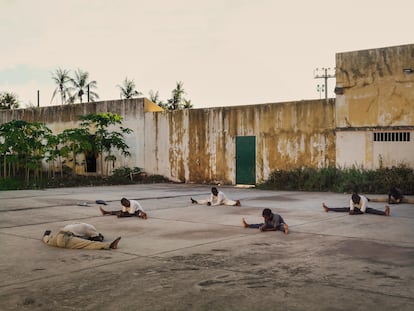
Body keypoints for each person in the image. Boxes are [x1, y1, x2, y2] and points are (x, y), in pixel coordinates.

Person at [42, 223, 121, 250]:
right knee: (88, 244)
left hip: (59, 235)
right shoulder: (91, 228)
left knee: (48, 240)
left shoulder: (78, 225)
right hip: (66, 238)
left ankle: (45, 236)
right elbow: (97, 240)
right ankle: (110, 245)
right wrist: (101, 238)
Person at [322, 193, 390, 216]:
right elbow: (351, 209)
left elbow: (362, 212)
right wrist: (351, 211)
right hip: (357, 208)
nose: (355, 203)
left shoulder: (364, 200)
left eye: (356, 202)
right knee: (344, 209)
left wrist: (353, 213)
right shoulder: (352, 200)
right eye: (355, 202)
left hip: (363, 208)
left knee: (371, 210)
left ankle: (384, 213)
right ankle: (329, 208)